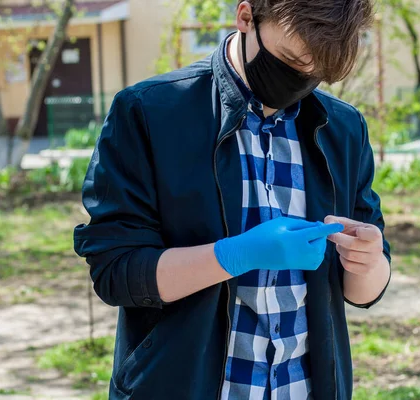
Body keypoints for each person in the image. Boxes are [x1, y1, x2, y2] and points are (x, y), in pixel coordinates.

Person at [73, 0, 391, 399]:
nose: (299, 82)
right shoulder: (149, 113)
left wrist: (370, 261)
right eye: (290, 60)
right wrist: (236, 255)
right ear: (245, 17)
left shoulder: (342, 129)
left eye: (316, 74)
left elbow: (363, 290)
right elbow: (116, 272)